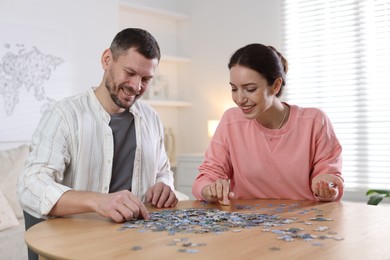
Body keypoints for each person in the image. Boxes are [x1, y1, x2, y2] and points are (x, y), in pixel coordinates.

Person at [18, 28, 179, 259]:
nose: (136, 86)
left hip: (138, 243)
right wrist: (98, 201)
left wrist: (164, 185)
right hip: (78, 246)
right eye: (130, 72)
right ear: (107, 60)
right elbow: (29, 185)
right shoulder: (65, 115)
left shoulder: (151, 118)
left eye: (145, 79)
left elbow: (163, 171)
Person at [192, 43, 344, 206]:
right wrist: (209, 189)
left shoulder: (315, 121)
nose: (239, 99)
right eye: (234, 89)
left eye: (250, 89)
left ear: (276, 85)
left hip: (303, 223)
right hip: (247, 224)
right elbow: (207, 176)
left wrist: (326, 188)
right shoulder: (231, 121)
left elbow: (330, 180)